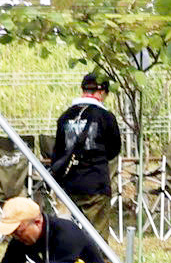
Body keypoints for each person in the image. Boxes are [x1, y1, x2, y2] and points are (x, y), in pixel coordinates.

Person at [50, 73, 121, 238]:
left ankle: (71, 260)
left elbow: (58, 151)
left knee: (68, 234)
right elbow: (114, 149)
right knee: (96, 236)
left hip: (68, 183)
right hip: (95, 183)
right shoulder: (106, 117)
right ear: (102, 92)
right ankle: (96, 262)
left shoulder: (65, 116)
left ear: (82, 89)